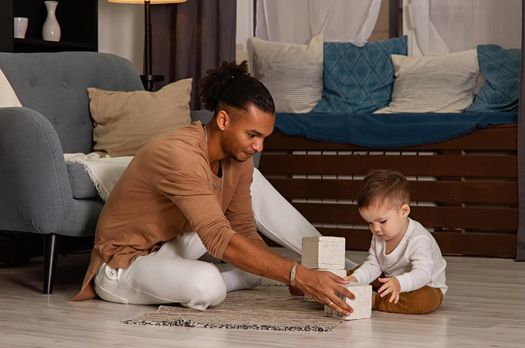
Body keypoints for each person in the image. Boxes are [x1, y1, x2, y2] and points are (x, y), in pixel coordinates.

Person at [74, 61, 355, 315]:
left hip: (172, 244)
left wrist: (296, 273)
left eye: (264, 137)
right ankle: (220, 280)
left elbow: (243, 227)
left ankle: (343, 269)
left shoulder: (237, 158)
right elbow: (218, 237)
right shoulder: (179, 154)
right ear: (223, 121)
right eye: (253, 135)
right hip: (123, 265)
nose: (259, 146)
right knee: (208, 283)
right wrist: (296, 275)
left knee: (258, 253)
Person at [348, 169, 447, 314]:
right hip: (389, 278)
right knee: (357, 272)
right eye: (370, 223)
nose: (375, 229)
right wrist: (356, 279)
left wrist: (399, 283)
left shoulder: (418, 239)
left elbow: (423, 273)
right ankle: (342, 285)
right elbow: (373, 265)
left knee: (422, 301)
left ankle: (374, 300)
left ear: (404, 211)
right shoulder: (379, 234)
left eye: (382, 221)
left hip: (425, 285)